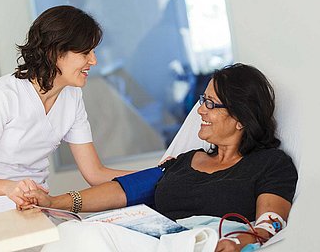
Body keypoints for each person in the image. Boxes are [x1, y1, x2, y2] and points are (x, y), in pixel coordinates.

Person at [25, 63, 299, 252]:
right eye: (203, 100)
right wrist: (53, 202)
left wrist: (242, 239)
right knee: (72, 234)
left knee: (84, 238)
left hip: (206, 242)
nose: (200, 111)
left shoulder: (270, 164)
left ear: (241, 117)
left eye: (211, 104)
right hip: (156, 241)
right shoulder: (186, 161)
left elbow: (270, 221)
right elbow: (126, 190)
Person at [0, 5, 132, 213]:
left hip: (36, 207)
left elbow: (95, 173)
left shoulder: (72, 96)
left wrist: (158, 174)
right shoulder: (0, 95)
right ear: (54, 52)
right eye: (86, 52)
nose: (93, 61)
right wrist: (9, 188)